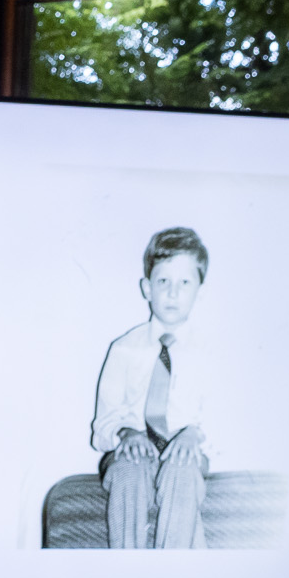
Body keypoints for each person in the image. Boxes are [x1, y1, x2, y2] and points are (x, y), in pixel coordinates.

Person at [91, 225, 214, 547]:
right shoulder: (123, 349)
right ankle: (127, 569)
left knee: (182, 467)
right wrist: (125, 433)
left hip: (185, 453)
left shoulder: (209, 353)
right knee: (128, 468)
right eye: (163, 282)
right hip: (132, 452)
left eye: (184, 283)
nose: (173, 293)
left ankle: (172, 571)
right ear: (147, 288)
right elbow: (103, 424)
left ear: (200, 291)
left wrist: (193, 434)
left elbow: (220, 419)